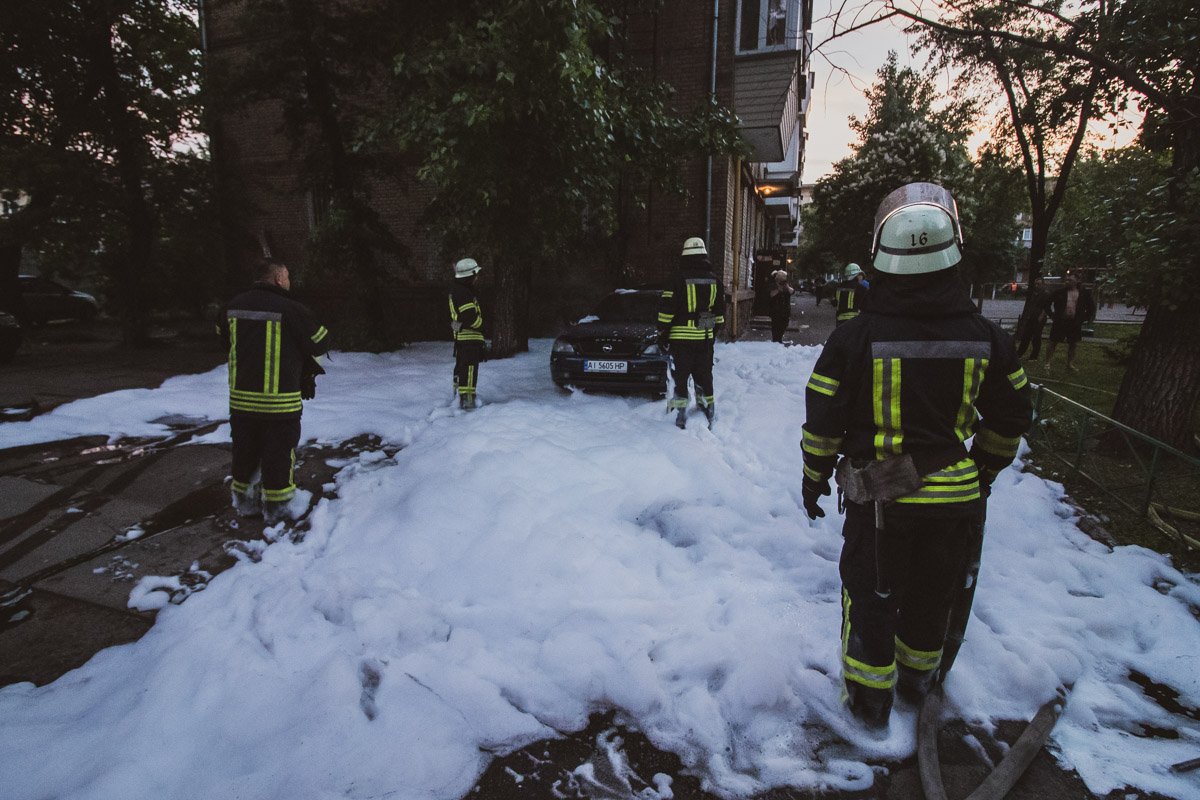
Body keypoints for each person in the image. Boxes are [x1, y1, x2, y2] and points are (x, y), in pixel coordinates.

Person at [800, 183, 1032, 728]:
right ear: (954, 256)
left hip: (882, 501)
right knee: (932, 597)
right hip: (957, 502)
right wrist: (984, 472)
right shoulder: (987, 338)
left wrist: (813, 480)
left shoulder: (855, 340)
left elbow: (823, 425)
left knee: (871, 596)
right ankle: (916, 685)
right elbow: (1012, 417)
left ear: (882, 260)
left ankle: (869, 704)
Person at [219, 258, 331, 525]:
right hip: (279, 403)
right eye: (288, 277)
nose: (289, 282)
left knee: (244, 450)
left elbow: (224, 340)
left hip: (241, 401)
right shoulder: (292, 309)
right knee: (279, 454)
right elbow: (321, 342)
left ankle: (245, 503)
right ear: (279, 278)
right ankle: (278, 508)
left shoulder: (230, 307)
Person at [657, 237, 726, 429]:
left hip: (680, 341)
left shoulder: (676, 279)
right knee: (704, 375)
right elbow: (719, 314)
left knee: (680, 376)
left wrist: (663, 333)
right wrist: (709, 332)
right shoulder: (715, 280)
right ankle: (707, 408)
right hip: (704, 339)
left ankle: (679, 415)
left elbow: (666, 312)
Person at [448, 257, 485, 409]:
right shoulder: (463, 293)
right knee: (469, 368)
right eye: (475, 274)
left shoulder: (458, 290)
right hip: (469, 337)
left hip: (463, 337)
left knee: (461, 367)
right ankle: (467, 401)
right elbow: (470, 316)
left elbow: (457, 319)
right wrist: (481, 325)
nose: (477, 278)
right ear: (469, 276)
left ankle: (458, 397)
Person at [1043, 273, 1095, 373]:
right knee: (1053, 342)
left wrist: (1083, 318)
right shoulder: (1059, 292)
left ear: (1077, 281)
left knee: (1073, 344)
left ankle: (1069, 364)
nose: (1067, 282)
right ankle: (1047, 363)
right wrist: (1052, 315)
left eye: (1070, 280)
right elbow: (1047, 303)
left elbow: (1091, 307)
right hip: (1060, 321)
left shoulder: (1083, 293)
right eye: (1066, 280)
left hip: (1074, 323)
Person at [1013, 277, 1050, 360]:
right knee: (1026, 335)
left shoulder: (1045, 294)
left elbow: (1046, 307)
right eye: (1036, 284)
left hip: (1039, 317)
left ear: (1043, 285)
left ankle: (1034, 356)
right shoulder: (1033, 293)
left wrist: (1041, 316)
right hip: (1031, 317)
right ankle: (1019, 353)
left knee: (1036, 337)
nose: (1037, 286)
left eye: (1039, 284)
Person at [768, 269, 794, 343]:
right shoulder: (773, 285)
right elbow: (771, 294)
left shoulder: (786, 285)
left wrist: (787, 287)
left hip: (785, 309)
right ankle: (776, 341)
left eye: (784, 278)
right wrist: (778, 289)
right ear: (777, 279)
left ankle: (779, 339)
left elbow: (792, 291)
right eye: (782, 278)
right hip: (776, 309)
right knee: (776, 325)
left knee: (784, 324)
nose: (783, 280)